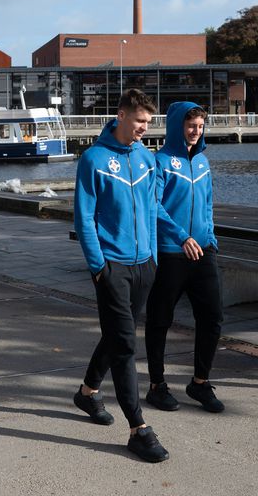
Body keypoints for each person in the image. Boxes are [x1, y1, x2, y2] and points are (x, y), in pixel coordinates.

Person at [72, 89, 168, 464]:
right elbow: (84, 217)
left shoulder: (146, 158)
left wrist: (154, 258)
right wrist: (99, 268)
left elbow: (151, 209)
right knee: (126, 343)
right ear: (121, 115)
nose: (145, 128)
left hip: (145, 265)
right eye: (140, 120)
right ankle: (138, 429)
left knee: (117, 334)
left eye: (148, 122)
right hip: (112, 265)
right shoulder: (93, 159)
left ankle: (87, 392)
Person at [145, 103, 225, 414]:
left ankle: (200, 382)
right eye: (191, 125)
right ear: (178, 125)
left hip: (203, 251)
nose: (196, 131)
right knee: (160, 320)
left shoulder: (203, 162)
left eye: (201, 126)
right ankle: (157, 385)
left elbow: (207, 203)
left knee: (213, 317)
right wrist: (182, 237)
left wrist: (210, 238)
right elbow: (155, 207)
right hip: (171, 253)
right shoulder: (161, 161)